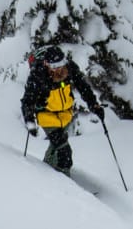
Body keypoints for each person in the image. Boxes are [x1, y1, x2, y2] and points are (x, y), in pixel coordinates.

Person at [20, 45, 105, 176]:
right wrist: (30, 121)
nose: (58, 69)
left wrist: (94, 106)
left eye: (61, 64)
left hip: (65, 115)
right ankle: (63, 182)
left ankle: (45, 173)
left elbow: (83, 88)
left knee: (56, 148)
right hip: (46, 116)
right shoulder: (38, 75)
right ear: (46, 64)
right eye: (54, 66)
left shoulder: (70, 68)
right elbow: (27, 101)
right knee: (64, 152)